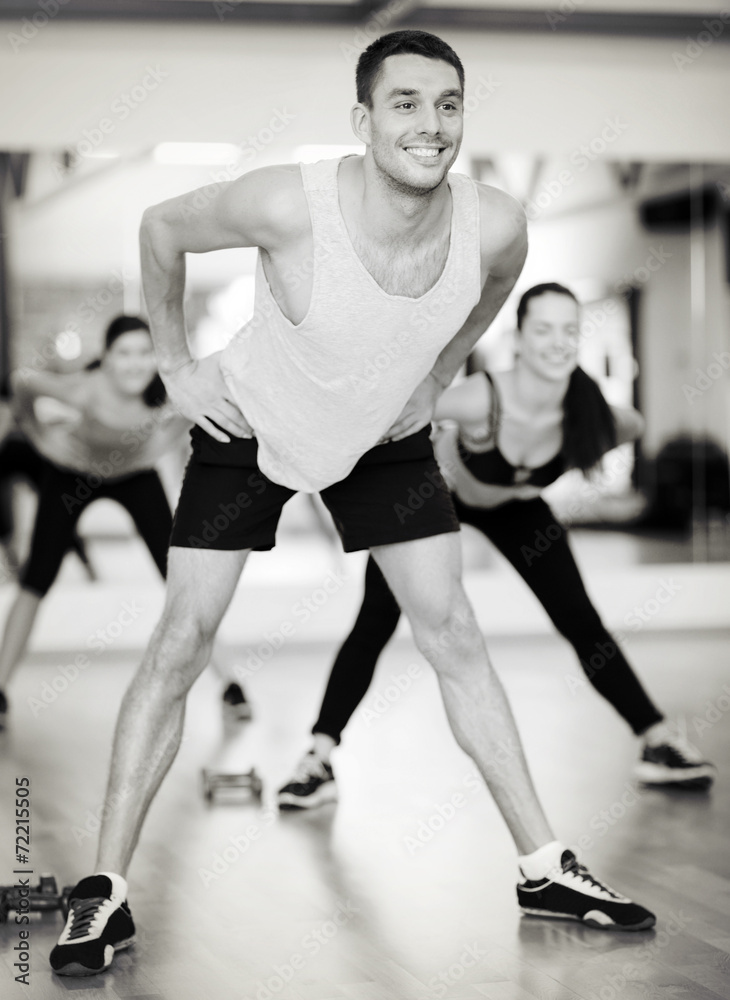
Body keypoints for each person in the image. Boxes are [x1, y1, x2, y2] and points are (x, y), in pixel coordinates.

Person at [50, 31, 657, 979]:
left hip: (383, 437)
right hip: (245, 427)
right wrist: (172, 365)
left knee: (452, 630)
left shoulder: (495, 223)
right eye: (407, 103)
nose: (431, 124)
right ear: (363, 121)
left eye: (449, 104)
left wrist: (444, 370)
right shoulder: (289, 203)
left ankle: (544, 866)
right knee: (182, 640)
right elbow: (162, 229)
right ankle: (105, 893)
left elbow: (495, 287)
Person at [277, 282, 717, 811]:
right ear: (520, 339)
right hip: (436, 496)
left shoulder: (587, 406)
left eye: (569, 331)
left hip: (517, 508)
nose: (558, 342)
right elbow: (397, 418)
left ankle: (657, 740)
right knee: (375, 620)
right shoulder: (484, 398)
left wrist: (539, 479)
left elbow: (633, 425)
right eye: (544, 330)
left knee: (581, 620)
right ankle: (318, 758)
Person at [0, 315, 249, 727]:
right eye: (124, 353)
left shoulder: (169, 392)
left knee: (181, 580)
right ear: (108, 358)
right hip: (72, 474)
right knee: (36, 578)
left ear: (157, 357)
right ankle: (1, 690)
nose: (135, 364)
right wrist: (42, 437)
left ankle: (232, 686)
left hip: (134, 476)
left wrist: (157, 446)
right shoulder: (82, 388)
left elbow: (198, 415)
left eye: (144, 352)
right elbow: (22, 382)